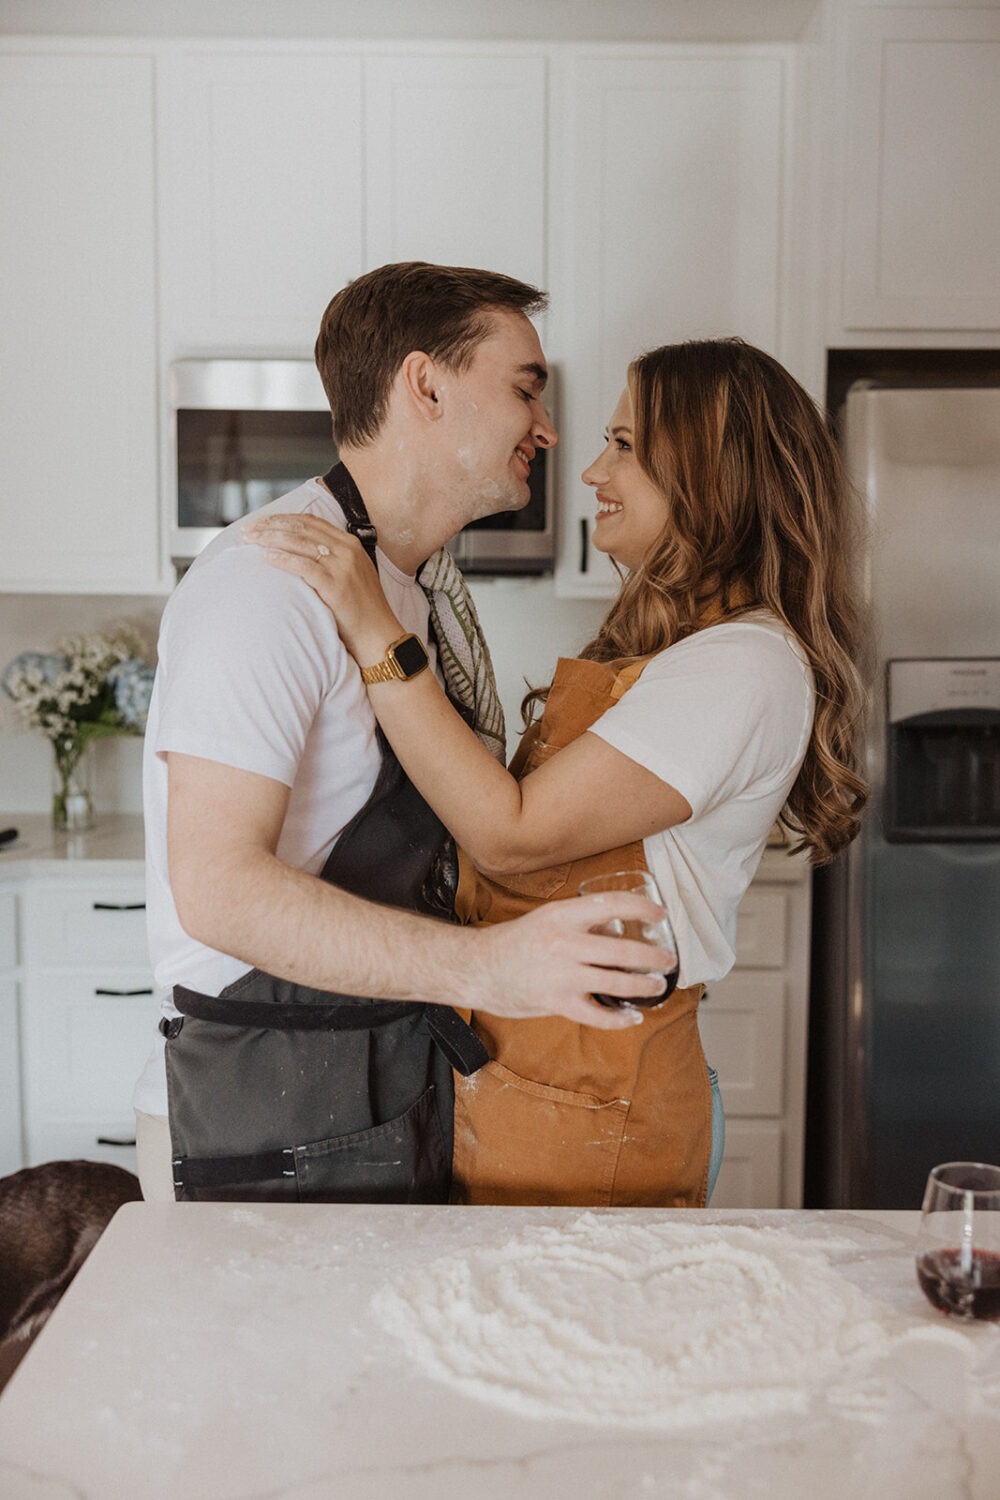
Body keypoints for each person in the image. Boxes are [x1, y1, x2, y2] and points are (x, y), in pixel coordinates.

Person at [246, 336, 869, 1208]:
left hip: (598, 1094)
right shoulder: (680, 650)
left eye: (623, 445)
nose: (590, 472)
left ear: (708, 472)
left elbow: (511, 836)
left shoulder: (745, 667)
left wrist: (371, 624)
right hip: (539, 1071)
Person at [132, 262, 673, 1205]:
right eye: (524, 389)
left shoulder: (408, 590)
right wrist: (493, 967)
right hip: (263, 1102)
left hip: (370, 1078)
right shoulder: (269, 582)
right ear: (426, 384)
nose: (547, 429)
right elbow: (217, 890)